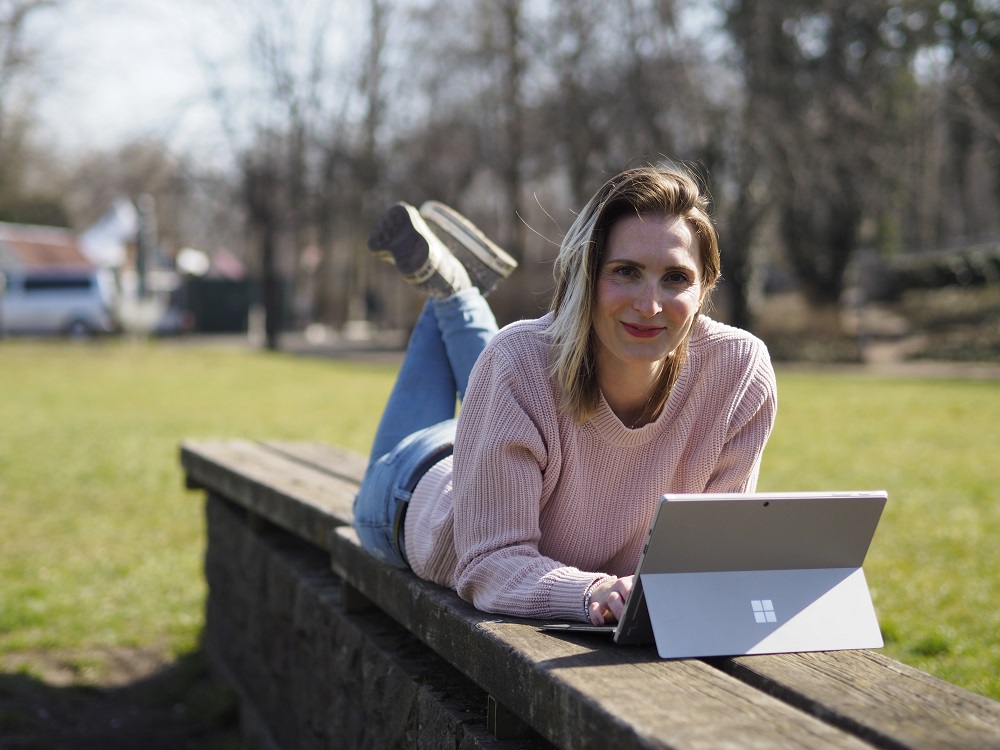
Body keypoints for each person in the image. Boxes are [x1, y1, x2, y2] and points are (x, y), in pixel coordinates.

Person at [353, 165, 777, 627]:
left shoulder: (737, 373)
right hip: (410, 487)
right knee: (517, 360)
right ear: (585, 276)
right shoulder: (517, 364)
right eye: (625, 272)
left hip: (510, 442)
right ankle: (454, 294)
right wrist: (594, 592)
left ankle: (454, 287)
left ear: (704, 288)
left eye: (676, 278)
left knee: (517, 363)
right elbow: (489, 562)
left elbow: (711, 560)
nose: (650, 305)